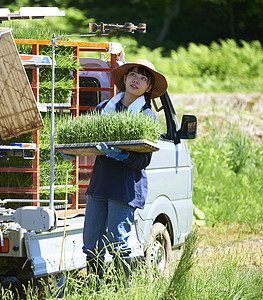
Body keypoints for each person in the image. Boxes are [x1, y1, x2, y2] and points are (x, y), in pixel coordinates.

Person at [82, 59, 168, 284]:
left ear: (148, 87)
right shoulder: (104, 109)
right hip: (100, 183)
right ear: (124, 79)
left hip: (126, 187)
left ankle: (123, 290)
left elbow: (144, 159)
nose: (136, 80)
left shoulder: (146, 116)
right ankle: (96, 288)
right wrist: (71, 150)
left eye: (142, 78)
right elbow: (85, 137)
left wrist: (121, 155)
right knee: (91, 241)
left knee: (117, 241)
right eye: (132, 75)